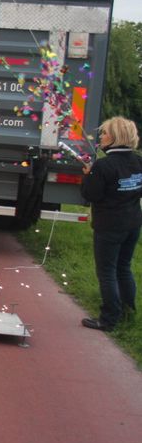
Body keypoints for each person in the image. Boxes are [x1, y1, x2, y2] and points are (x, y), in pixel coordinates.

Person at [80, 116, 142, 331]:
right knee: (123, 268)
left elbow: (91, 195)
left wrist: (88, 176)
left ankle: (108, 318)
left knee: (106, 271)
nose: (102, 137)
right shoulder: (138, 161)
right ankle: (127, 310)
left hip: (109, 225)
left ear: (115, 138)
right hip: (133, 222)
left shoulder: (103, 165)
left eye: (105, 133)